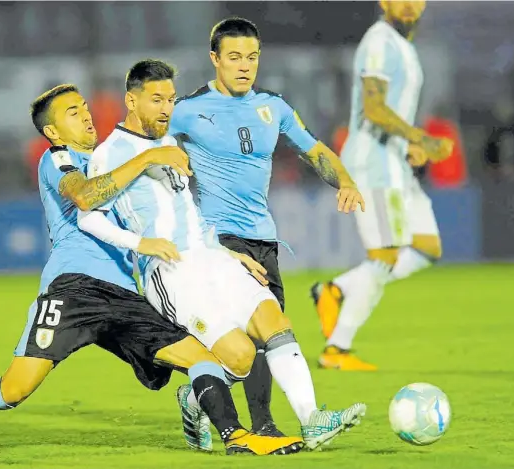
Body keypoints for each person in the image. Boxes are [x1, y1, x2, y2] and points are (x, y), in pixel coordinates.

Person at [0, 85, 304, 460]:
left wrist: (224, 253)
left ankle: (236, 436)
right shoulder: (61, 159)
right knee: (14, 389)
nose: (87, 117)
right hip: (75, 291)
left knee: (204, 358)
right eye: (73, 112)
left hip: (129, 295)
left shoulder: (116, 154)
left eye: (86, 108)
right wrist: (147, 160)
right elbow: (85, 197)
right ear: (53, 130)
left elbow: (176, 218)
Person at [78, 59, 367, 452]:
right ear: (132, 100)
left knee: (274, 321)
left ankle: (312, 419)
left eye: (171, 99)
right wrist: (140, 245)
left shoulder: (169, 143)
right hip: (170, 270)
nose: (166, 108)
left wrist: (227, 253)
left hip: (210, 256)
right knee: (241, 356)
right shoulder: (112, 152)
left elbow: (189, 212)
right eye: (156, 99)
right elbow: (88, 216)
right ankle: (195, 396)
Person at [167, 17, 367, 445]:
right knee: (266, 329)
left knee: (261, 338)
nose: (244, 66)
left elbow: (314, 149)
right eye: (234, 57)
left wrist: (345, 181)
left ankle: (200, 393)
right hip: (220, 243)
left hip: (264, 237)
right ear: (214, 59)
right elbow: (147, 146)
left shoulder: (272, 107)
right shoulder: (187, 108)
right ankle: (275, 423)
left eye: (252, 57)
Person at [311, 0, 454, 370]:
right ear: (383, 2)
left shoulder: (403, 45)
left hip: (395, 160)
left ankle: (337, 289)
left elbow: (392, 109)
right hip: (374, 161)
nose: (409, 5)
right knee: (386, 255)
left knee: (426, 247)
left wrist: (408, 144)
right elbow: (374, 109)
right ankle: (336, 350)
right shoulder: (378, 41)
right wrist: (419, 137)